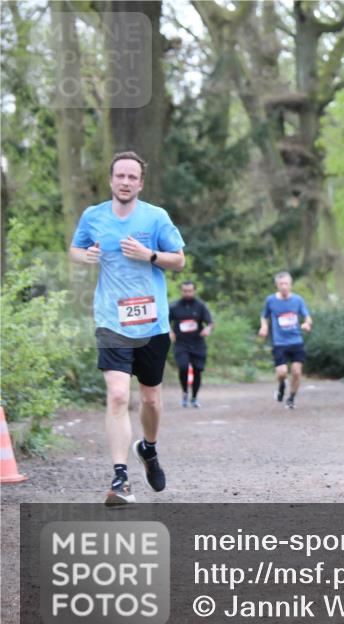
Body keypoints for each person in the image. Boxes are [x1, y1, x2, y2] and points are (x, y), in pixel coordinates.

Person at [68, 151, 186, 506]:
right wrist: (84, 255)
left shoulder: (156, 217)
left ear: (141, 183)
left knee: (150, 398)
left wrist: (148, 255)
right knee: (118, 395)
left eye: (132, 177)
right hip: (111, 319)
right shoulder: (94, 216)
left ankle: (148, 449)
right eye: (120, 176)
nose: (125, 182)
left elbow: (179, 260)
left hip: (152, 322)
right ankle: (120, 480)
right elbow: (75, 248)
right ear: (111, 179)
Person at [258, 272, 312, 409]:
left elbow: (307, 316)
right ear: (277, 285)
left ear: (291, 285)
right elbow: (264, 316)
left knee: (296, 372)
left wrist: (307, 324)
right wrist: (264, 327)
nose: (283, 286)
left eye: (286, 283)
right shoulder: (271, 300)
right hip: (279, 343)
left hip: (296, 341)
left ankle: (291, 398)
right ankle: (281, 386)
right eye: (281, 284)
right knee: (282, 373)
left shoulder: (298, 300)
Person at [168, 280, 213, 408]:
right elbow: (165, 322)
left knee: (198, 370)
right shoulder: (174, 306)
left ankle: (194, 397)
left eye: (189, 291)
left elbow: (210, 322)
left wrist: (207, 329)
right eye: (184, 291)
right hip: (181, 343)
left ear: (194, 291)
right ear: (181, 291)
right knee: (183, 367)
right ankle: (184, 392)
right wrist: (170, 332)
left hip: (197, 343)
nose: (187, 293)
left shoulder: (201, 306)